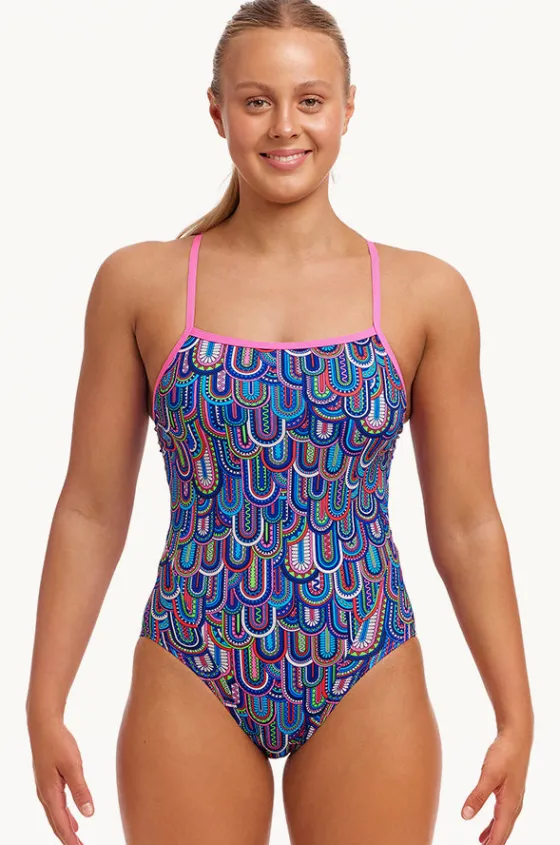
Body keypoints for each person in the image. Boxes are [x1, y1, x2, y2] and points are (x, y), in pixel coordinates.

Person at [26, 1, 534, 844]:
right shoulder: (141, 284)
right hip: (192, 651)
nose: (285, 126)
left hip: (366, 653)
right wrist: (44, 699)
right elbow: (90, 507)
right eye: (257, 100)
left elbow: (468, 522)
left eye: (310, 100)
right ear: (217, 111)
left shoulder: (425, 295)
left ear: (347, 109)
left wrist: (516, 710)